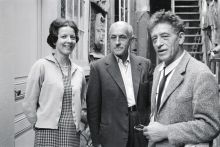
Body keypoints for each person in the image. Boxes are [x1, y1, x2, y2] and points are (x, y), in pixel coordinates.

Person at [143, 10, 220, 147]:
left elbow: (210, 126)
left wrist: (166, 131)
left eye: (165, 36)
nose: (158, 44)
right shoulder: (157, 70)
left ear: (181, 38)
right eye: (154, 38)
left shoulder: (201, 74)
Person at [86, 21, 153, 147]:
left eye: (122, 37)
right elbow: (93, 110)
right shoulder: (98, 68)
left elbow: (151, 103)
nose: (117, 42)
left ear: (131, 40)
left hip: (140, 130)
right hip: (112, 132)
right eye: (113, 37)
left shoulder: (144, 64)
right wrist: (96, 142)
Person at [22, 18, 86, 147]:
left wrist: (82, 123)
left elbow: (83, 102)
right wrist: (39, 124)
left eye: (72, 37)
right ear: (54, 39)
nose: (69, 41)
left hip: (72, 133)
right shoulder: (41, 66)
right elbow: (29, 103)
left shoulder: (79, 71)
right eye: (64, 36)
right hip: (46, 133)